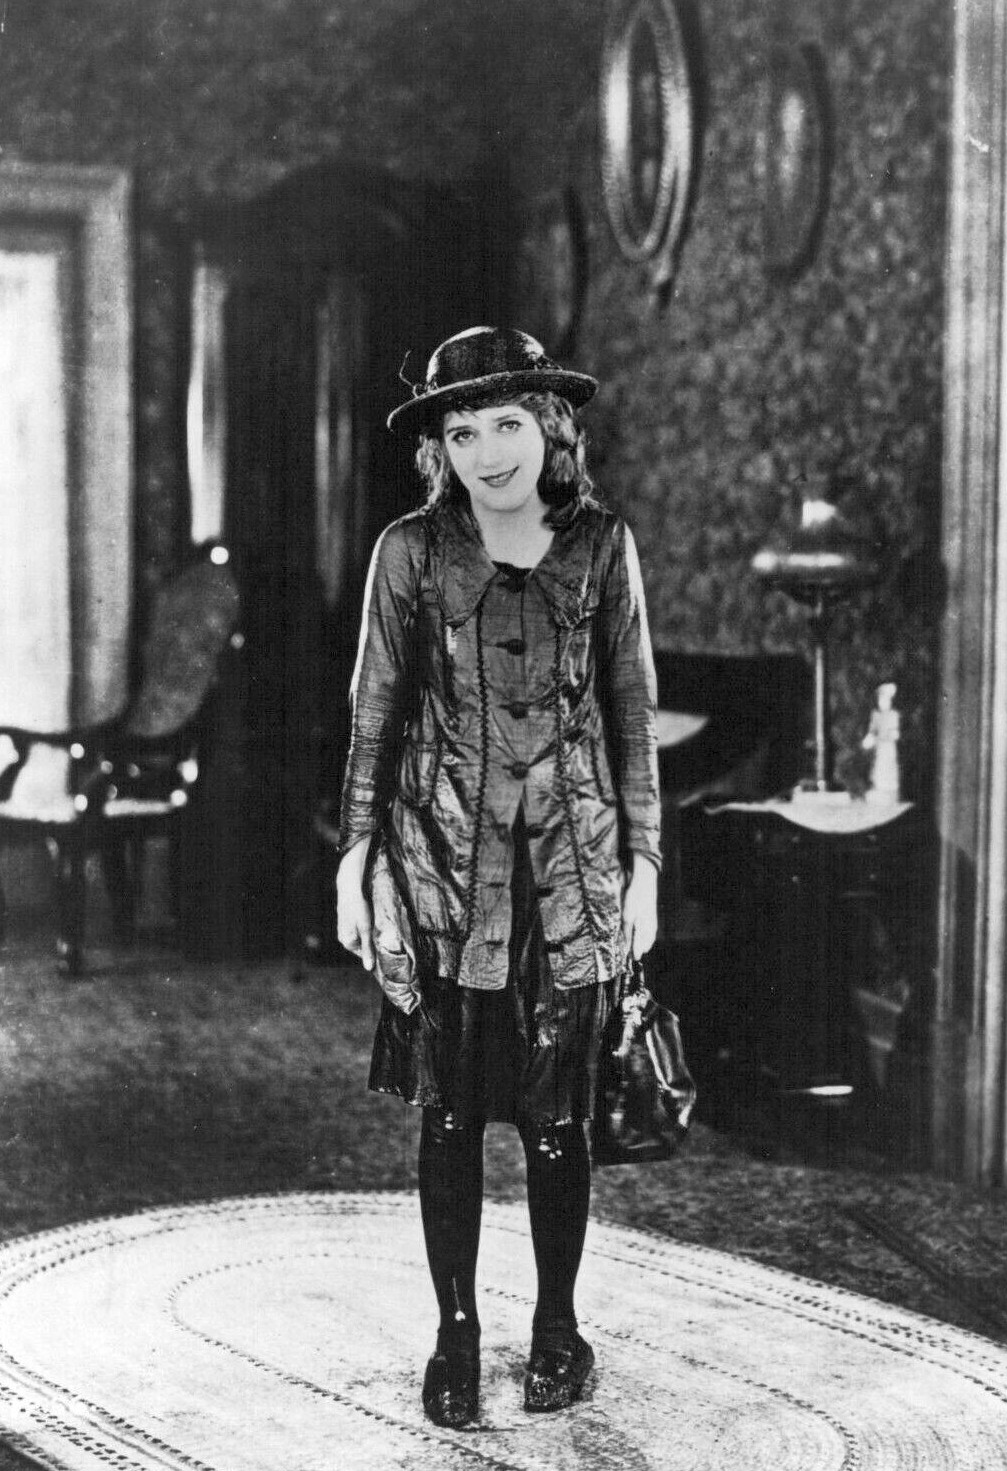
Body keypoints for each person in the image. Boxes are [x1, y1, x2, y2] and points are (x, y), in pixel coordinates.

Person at [335, 326, 660, 1430]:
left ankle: (559, 1327)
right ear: (441, 448)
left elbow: (631, 716)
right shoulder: (409, 552)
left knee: (559, 1121)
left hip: (571, 879)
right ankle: (458, 1333)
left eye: (508, 424)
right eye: (463, 431)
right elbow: (373, 716)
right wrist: (355, 864)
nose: (489, 452)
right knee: (448, 1121)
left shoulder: (604, 547)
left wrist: (645, 868)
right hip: (439, 876)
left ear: (551, 427)